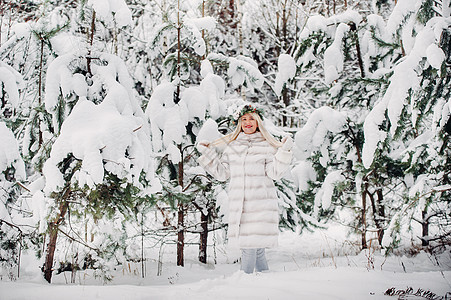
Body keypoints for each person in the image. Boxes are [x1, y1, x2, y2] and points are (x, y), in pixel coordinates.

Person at [196, 104, 293, 274]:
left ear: (258, 122)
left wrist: (284, 151)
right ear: (239, 122)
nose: (248, 122)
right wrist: (208, 153)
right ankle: (266, 284)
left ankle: (242, 285)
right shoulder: (232, 146)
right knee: (257, 250)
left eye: (251, 119)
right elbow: (222, 174)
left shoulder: (267, 146)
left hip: (260, 205)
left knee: (249, 248)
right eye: (244, 119)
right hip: (240, 207)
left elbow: (275, 173)